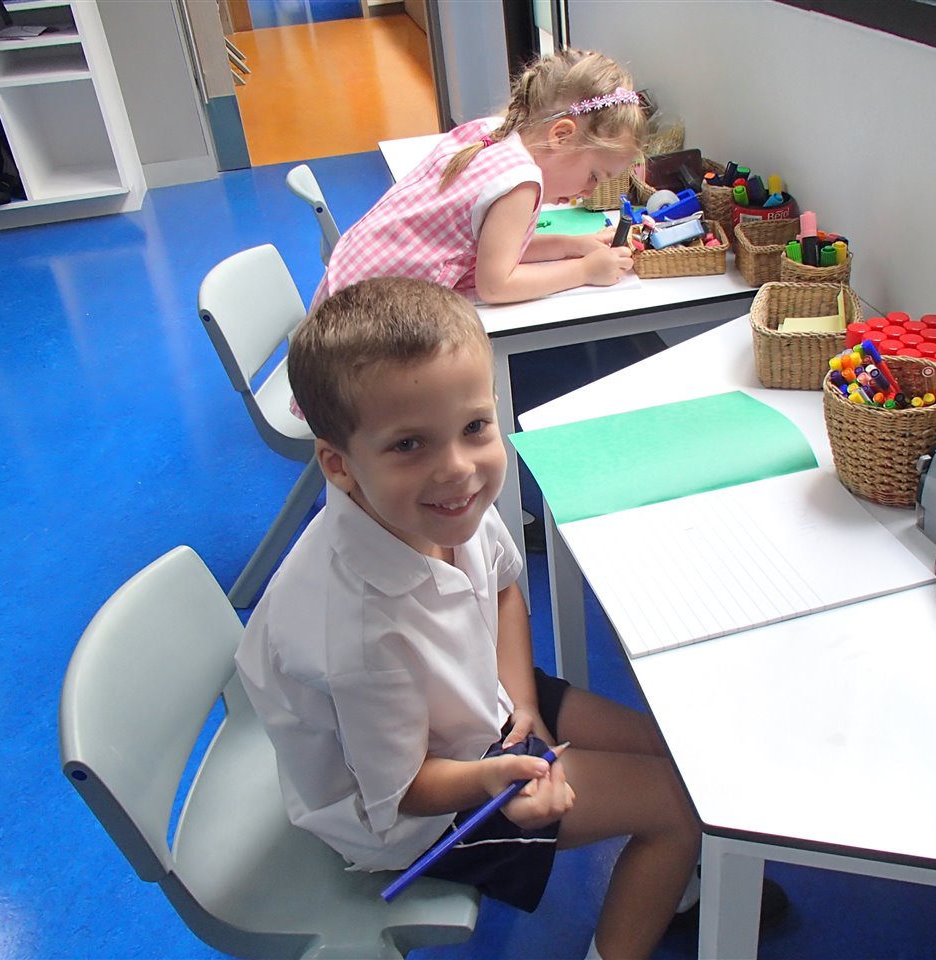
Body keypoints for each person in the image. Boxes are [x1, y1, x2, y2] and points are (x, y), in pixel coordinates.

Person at [236, 277, 702, 960]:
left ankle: (669, 885)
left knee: (679, 756)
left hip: (478, 703)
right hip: (426, 811)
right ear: (339, 464)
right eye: (409, 445)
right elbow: (402, 792)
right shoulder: (359, 634)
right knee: (682, 807)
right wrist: (493, 777)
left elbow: (505, 589)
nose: (457, 468)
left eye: (475, 428)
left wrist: (523, 703)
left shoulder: (438, 506)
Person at [310, 49, 646, 309]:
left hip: (343, 294)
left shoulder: (494, 133)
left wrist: (575, 244)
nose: (589, 191)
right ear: (561, 135)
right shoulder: (520, 182)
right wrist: (585, 271)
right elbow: (497, 285)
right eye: (593, 175)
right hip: (367, 322)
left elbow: (496, 249)